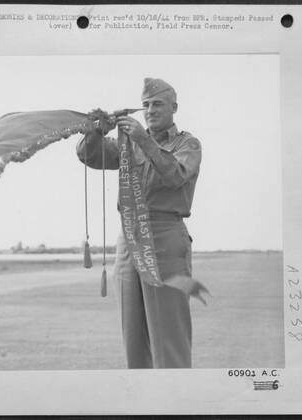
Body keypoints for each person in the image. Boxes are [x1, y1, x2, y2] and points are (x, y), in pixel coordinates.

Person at [76, 78, 207, 368]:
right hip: (128, 239)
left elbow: (175, 176)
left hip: (164, 236)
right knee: (133, 337)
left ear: (174, 107)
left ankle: (174, 403)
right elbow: (89, 155)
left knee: (167, 335)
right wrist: (96, 131)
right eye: (145, 105)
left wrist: (144, 141)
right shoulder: (129, 143)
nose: (150, 110)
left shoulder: (188, 143)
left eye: (158, 104)